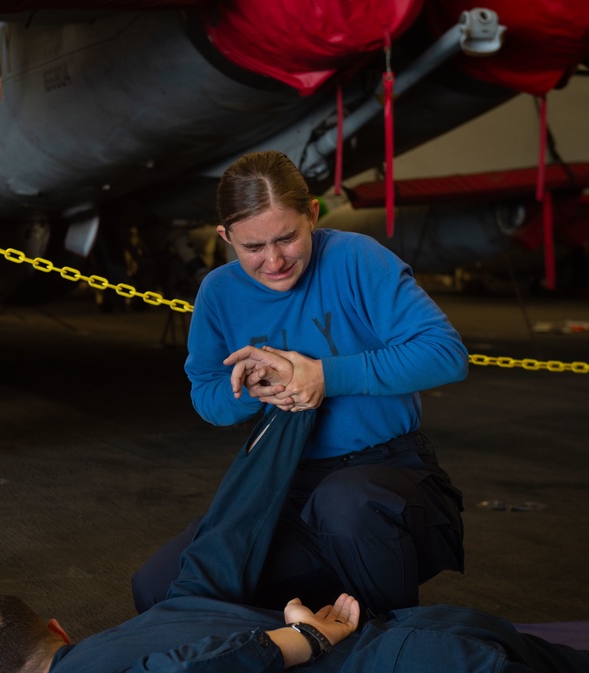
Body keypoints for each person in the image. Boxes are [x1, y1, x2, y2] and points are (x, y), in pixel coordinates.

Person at [0, 408, 589, 673]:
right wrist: (290, 410)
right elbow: (234, 520)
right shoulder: (170, 607)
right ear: (59, 630)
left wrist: (300, 639)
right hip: (444, 632)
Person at [132, 150, 469, 615]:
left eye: (287, 238)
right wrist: (249, 392)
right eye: (252, 248)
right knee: (158, 588)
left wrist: (324, 375)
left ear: (312, 214)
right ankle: (278, 663)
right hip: (285, 484)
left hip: (390, 475)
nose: (273, 261)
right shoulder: (219, 291)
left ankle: (392, 655)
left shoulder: (355, 258)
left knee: (346, 504)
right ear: (226, 237)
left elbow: (446, 355)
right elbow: (207, 397)